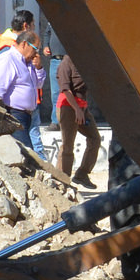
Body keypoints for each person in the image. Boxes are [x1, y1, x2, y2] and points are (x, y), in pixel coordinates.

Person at [0, 12, 48, 161]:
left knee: (28, 153)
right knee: (27, 155)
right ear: (24, 44)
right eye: (35, 48)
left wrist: (39, 68)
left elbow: (38, 84)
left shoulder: (28, 62)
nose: (36, 53)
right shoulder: (8, 59)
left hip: (27, 115)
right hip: (14, 115)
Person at [55, 52, 99, 183]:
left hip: (82, 107)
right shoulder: (66, 62)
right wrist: (77, 110)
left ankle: (82, 174)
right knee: (68, 145)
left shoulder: (86, 62)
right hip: (68, 107)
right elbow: (65, 89)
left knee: (95, 139)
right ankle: (62, 181)